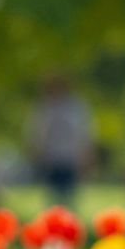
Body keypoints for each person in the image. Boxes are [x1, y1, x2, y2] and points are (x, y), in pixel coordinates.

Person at [26, 76, 94, 205]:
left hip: (70, 158)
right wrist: (35, 151)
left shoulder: (76, 107)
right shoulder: (44, 107)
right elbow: (36, 133)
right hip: (50, 158)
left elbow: (84, 133)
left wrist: (87, 155)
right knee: (52, 196)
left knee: (69, 195)